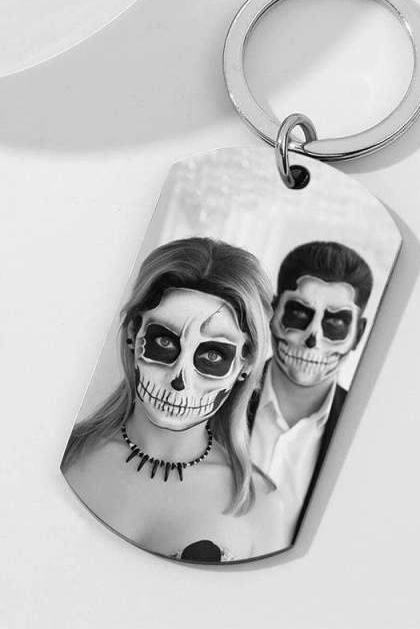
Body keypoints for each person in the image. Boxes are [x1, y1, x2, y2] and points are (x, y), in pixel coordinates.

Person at [62, 236, 289, 562]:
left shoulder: (261, 507)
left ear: (246, 364)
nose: (179, 379)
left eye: (212, 355)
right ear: (133, 334)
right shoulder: (64, 452)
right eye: (165, 343)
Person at [248, 241, 374, 545]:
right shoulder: (217, 397)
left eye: (335, 322)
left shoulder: (367, 435)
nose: (312, 339)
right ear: (273, 311)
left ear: (358, 333)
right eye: (299, 313)